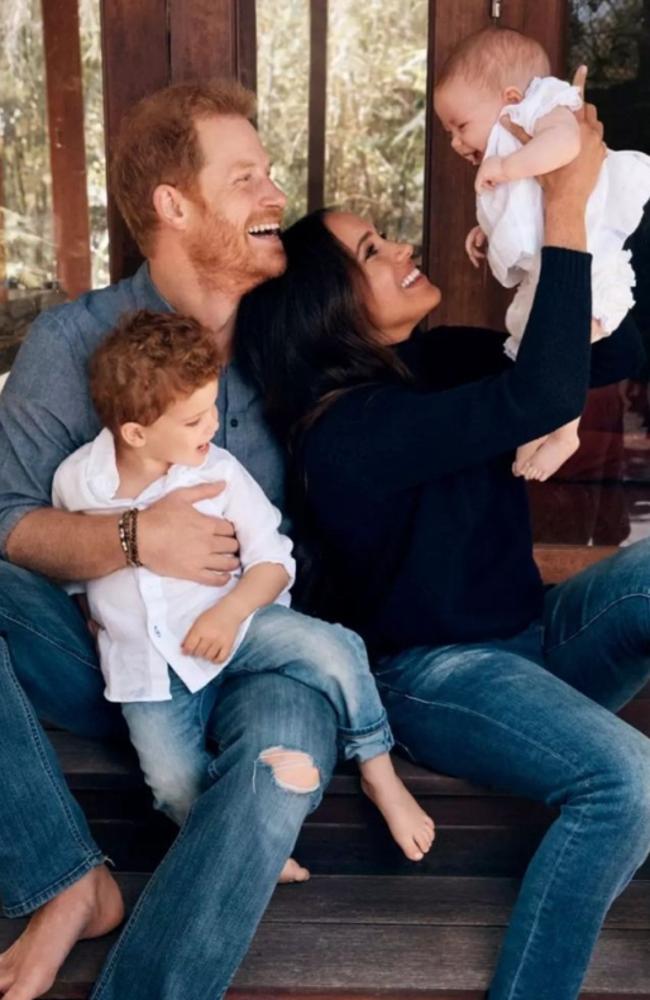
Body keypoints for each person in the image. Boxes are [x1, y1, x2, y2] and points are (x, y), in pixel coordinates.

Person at [235, 97, 650, 1000]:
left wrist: (591, 198)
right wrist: (567, 206)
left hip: (534, 641)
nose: (401, 251)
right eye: (372, 253)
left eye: (386, 237)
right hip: (440, 677)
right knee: (625, 782)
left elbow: (609, 352)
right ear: (324, 307)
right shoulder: (344, 434)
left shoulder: (438, 362)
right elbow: (538, 398)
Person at [0, 80, 342, 1000]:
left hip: (264, 650)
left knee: (278, 768)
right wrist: (134, 535)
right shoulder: (71, 344)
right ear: (172, 204)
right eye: (246, 180)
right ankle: (66, 879)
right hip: (110, 658)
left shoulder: (294, 335)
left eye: (268, 175)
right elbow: (6, 525)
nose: (275, 196)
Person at [52, 309, 434, 862]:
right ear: (136, 432)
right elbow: (73, 562)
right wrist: (91, 611)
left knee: (336, 649)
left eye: (212, 408)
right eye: (193, 420)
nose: (211, 426)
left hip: (241, 621)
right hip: (149, 669)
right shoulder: (78, 482)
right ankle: (239, 843)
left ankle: (378, 769)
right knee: (170, 781)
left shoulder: (220, 473)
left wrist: (228, 614)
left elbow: (274, 562)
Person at [434, 28, 650, 482]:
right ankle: (537, 428)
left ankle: (564, 432)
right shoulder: (513, 144)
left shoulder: (542, 107)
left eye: (460, 125)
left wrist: (508, 167)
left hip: (589, 260)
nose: (455, 142)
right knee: (536, 349)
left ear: (510, 97)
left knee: (561, 348)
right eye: (447, 131)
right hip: (554, 263)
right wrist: (487, 230)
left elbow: (568, 145)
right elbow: (526, 208)